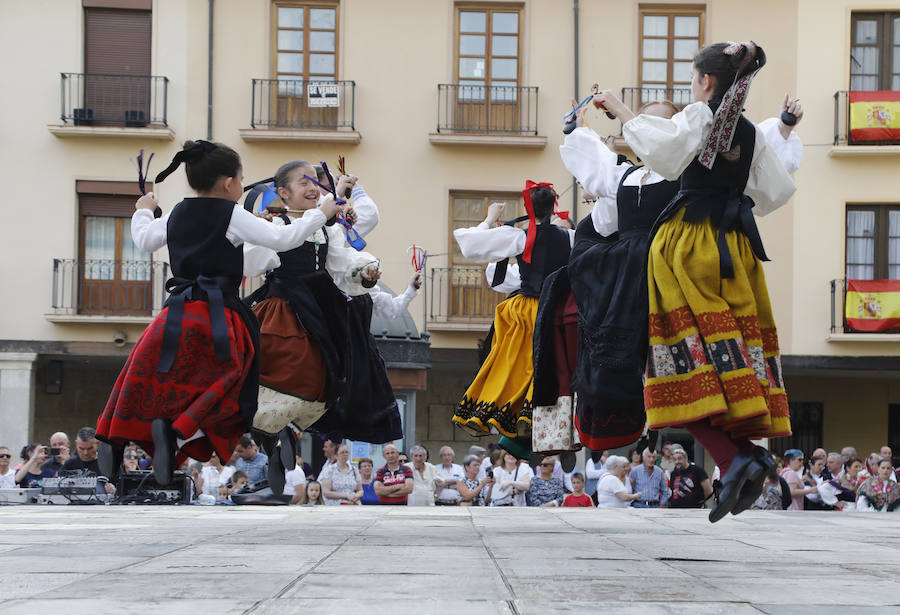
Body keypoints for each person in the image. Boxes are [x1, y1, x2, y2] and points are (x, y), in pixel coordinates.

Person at [600, 41, 802, 522]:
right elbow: (774, 191)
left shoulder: (700, 115)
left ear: (706, 82)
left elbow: (666, 154)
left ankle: (738, 458)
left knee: (672, 367)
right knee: (725, 365)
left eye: (694, 80)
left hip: (687, 247)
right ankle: (741, 456)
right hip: (735, 249)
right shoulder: (750, 133)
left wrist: (625, 112)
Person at [96, 140, 343, 487]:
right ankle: (179, 435)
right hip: (219, 318)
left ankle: (115, 440)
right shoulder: (232, 213)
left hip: (175, 315)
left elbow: (145, 240)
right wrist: (323, 212)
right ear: (228, 183)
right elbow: (283, 238)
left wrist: (142, 208)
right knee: (231, 390)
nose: (242, 187)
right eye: (242, 180)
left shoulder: (177, 213)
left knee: (150, 381)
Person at [242, 160, 385, 489]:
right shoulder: (274, 224)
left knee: (323, 376)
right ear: (282, 192)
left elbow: (341, 260)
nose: (312, 187)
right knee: (272, 365)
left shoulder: (326, 227)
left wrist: (362, 272)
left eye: (314, 182)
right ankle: (274, 442)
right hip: (283, 306)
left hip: (321, 309)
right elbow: (251, 259)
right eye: (302, 182)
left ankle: (286, 433)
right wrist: (251, 229)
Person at [451, 183, 574, 445]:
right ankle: (547, 425)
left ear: (529, 208)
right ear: (554, 207)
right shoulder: (571, 237)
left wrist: (489, 219)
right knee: (554, 369)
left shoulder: (519, 236)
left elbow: (470, 245)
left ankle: (505, 411)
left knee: (511, 366)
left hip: (527, 310)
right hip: (558, 312)